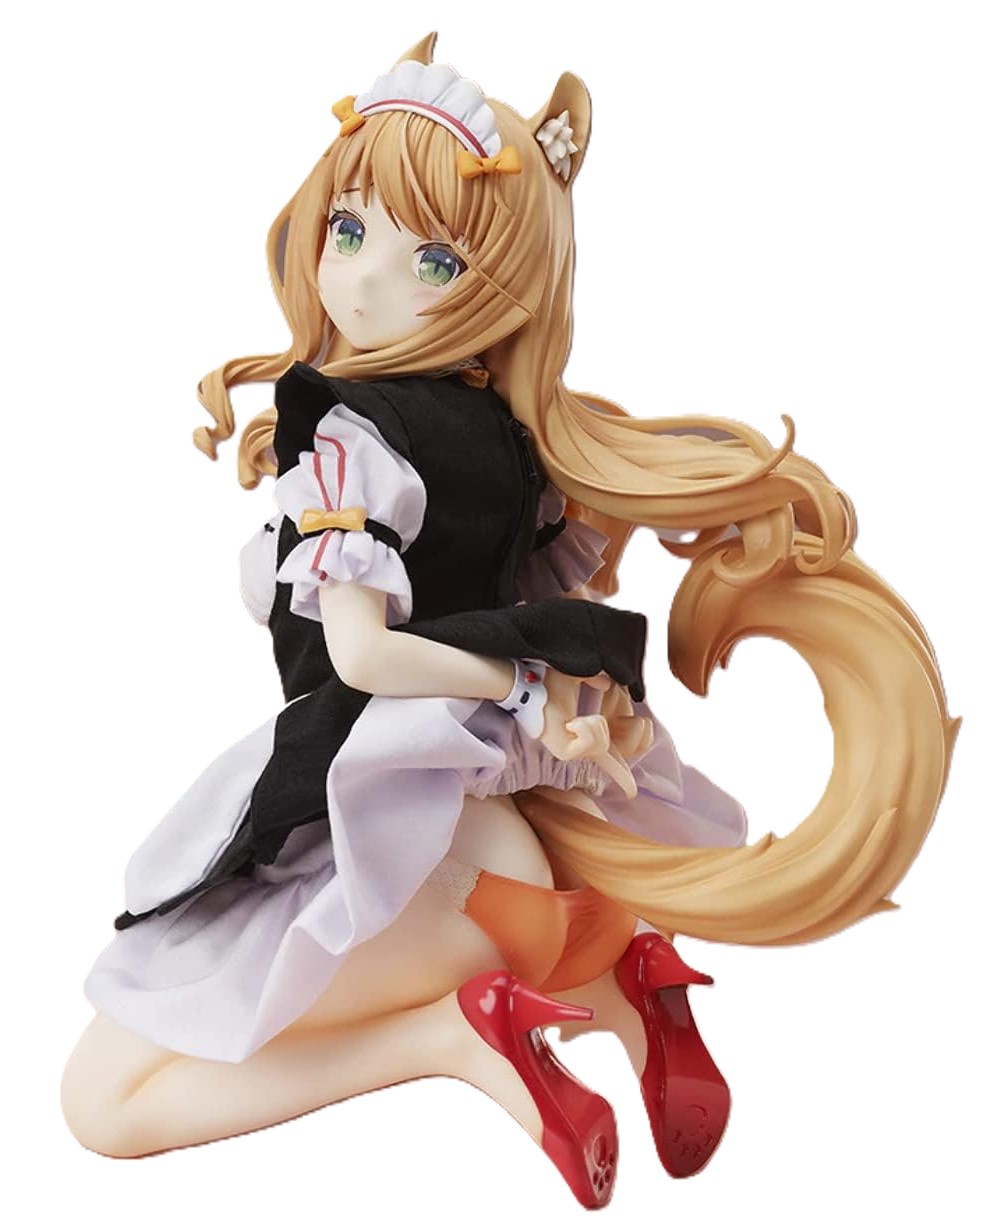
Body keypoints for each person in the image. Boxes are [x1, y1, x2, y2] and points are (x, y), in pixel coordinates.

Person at [61, 33, 957, 1210]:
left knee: (102, 1100)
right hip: (493, 846)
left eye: (429, 259)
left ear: (501, 287)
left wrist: (521, 690)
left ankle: (456, 1036)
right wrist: (541, 698)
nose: (364, 281)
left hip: (396, 828)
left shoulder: (346, 442)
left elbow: (360, 653)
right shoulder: (514, 447)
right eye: (350, 230)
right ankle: (619, 984)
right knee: (141, 1067)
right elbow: (536, 601)